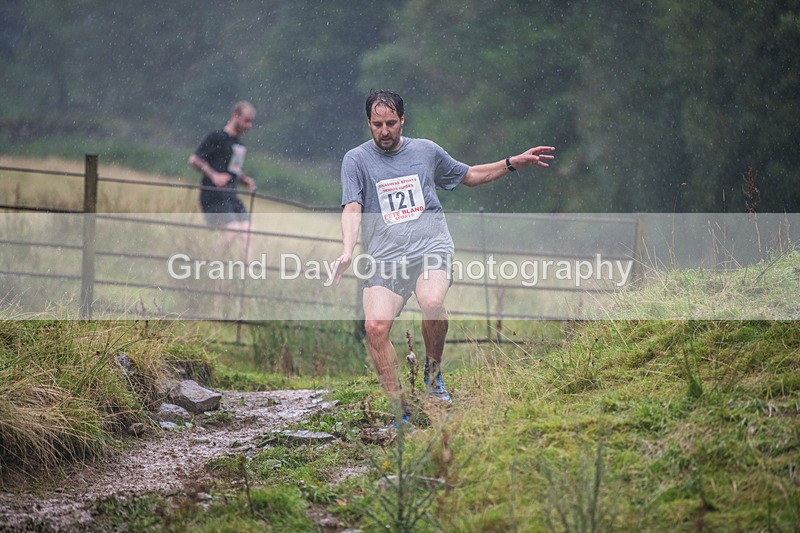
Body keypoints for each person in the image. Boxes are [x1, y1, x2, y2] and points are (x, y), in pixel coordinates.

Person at [331, 89, 555, 418]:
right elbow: (352, 207)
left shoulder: (426, 151)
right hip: (386, 257)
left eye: (391, 123)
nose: (385, 131)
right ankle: (399, 409)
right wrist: (347, 251)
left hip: (430, 247)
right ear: (368, 123)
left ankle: (433, 377)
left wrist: (511, 163)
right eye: (377, 124)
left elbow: (470, 175)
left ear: (402, 120)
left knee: (432, 302)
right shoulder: (356, 160)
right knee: (376, 327)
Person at [188, 101, 257, 261]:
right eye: (246, 120)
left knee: (249, 233)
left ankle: (245, 279)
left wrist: (243, 179)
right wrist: (214, 175)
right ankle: (210, 268)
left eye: (251, 121)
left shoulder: (239, 145)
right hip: (213, 196)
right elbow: (194, 159)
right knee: (232, 230)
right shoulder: (216, 137)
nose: (249, 125)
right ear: (235, 116)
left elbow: (233, 170)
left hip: (231, 197)